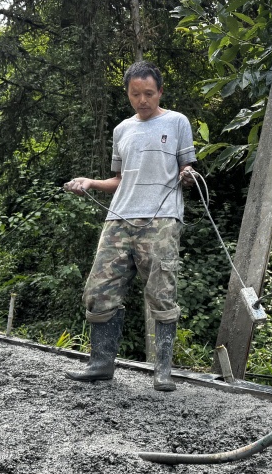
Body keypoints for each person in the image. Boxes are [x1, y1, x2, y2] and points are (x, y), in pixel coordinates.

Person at [63, 61, 196, 392]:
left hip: (162, 218)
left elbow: (187, 168)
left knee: (162, 291)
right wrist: (91, 183)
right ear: (128, 94)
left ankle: (162, 371)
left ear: (160, 91)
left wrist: (189, 176)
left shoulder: (177, 122)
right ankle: (101, 363)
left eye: (149, 93)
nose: (143, 100)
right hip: (119, 219)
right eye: (136, 94)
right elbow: (120, 180)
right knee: (99, 289)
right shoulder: (122, 130)